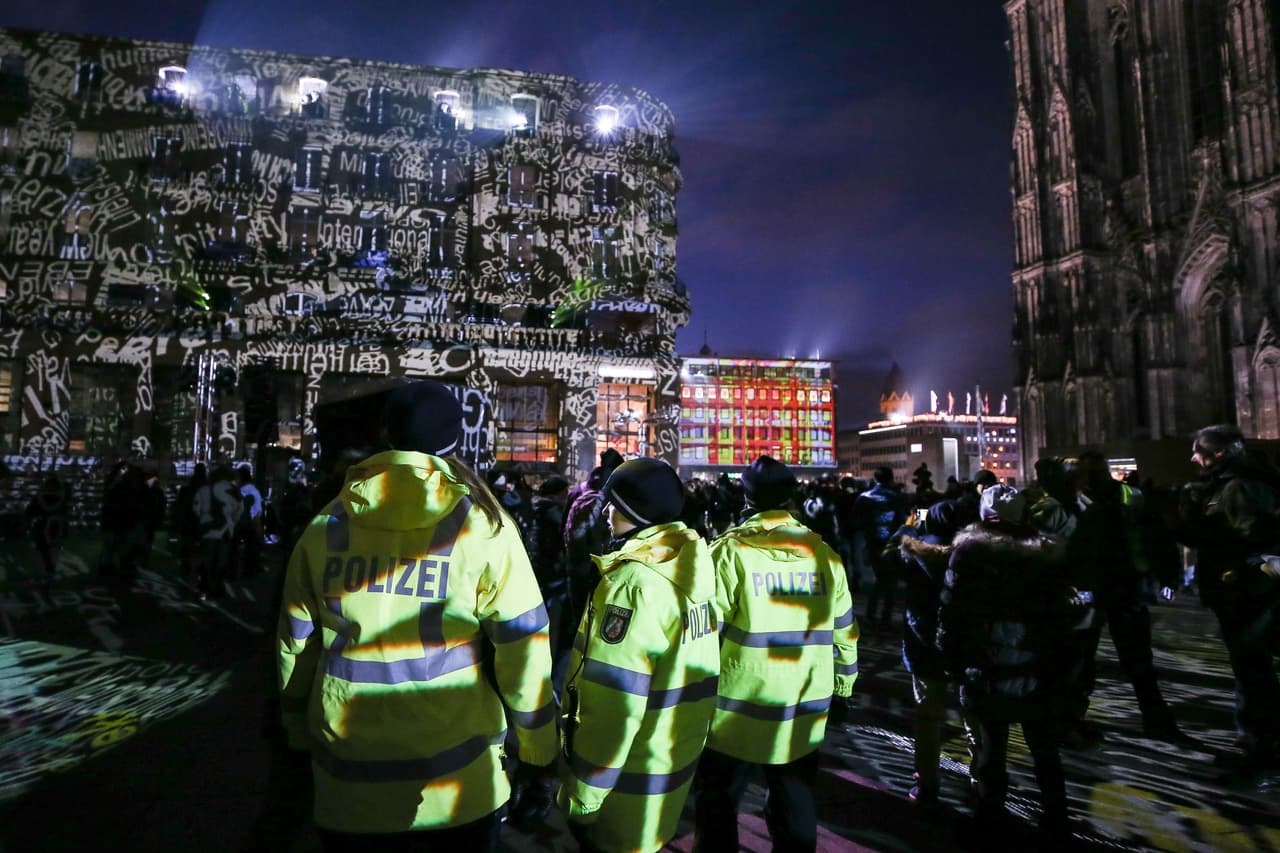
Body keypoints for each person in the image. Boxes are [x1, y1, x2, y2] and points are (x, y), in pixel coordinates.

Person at [277, 380, 557, 850]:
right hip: (457, 788)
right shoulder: (483, 526)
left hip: (349, 785)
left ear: (386, 434)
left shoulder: (327, 524)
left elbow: (295, 643)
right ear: (453, 442)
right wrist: (537, 747)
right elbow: (523, 643)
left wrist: (294, 731)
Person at [694, 456, 858, 852]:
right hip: (803, 703)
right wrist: (843, 688)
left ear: (747, 498)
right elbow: (845, 632)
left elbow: (703, 634)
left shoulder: (728, 553)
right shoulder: (825, 556)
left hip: (736, 707)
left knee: (717, 804)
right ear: (791, 497)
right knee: (794, 801)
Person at [558, 457, 719, 853]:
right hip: (669, 756)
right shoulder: (689, 564)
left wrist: (585, 795)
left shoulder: (635, 585)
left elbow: (613, 703)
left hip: (626, 777)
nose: (607, 513)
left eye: (614, 504)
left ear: (634, 512)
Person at [937, 485, 1074, 840]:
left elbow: (951, 611)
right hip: (1037, 666)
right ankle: (1057, 818)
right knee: (1044, 748)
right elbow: (1060, 615)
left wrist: (950, 657)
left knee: (990, 750)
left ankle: (989, 820)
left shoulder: (968, 552)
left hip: (986, 666)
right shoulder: (1046, 552)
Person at [1178, 424, 1280, 774]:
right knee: (1253, 669)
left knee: (1253, 669)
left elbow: (1246, 537)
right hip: (1245, 589)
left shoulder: (1238, 485)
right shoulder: (1246, 478)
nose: (1193, 457)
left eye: (1199, 450)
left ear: (1219, 453)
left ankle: (1259, 745)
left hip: (1248, 591)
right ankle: (1257, 739)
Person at [1067, 450, 1183, 743]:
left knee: (1087, 660)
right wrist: (1168, 574)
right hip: (1119, 586)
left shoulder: (1076, 500)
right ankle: (1155, 720)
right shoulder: (1128, 495)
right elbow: (1159, 537)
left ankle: (1074, 721)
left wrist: (1168, 574)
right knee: (1129, 661)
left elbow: (1157, 536)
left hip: (1104, 588)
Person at [896, 496, 975, 802]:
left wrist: (911, 522)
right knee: (974, 716)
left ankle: (927, 782)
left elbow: (889, 551)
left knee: (929, 719)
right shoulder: (973, 556)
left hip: (924, 645)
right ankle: (982, 780)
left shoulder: (913, 554)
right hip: (967, 645)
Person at [855, 465, 908, 628]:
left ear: (875, 478)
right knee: (890, 581)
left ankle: (871, 614)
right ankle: (885, 616)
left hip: (873, 543)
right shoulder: (897, 497)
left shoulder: (864, 497)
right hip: (892, 544)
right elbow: (907, 518)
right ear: (891, 478)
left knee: (880, 579)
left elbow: (856, 520)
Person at [192, 465, 242, 599]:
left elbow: (196, 509)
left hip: (207, 530)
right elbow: (239, 511)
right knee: (221, 561)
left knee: (207, 560)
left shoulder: (203, 490)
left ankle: (205, 586)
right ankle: (217, 587)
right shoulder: (233, 491)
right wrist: (231, 522)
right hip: (225, 531)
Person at [26, 473, 70, 581]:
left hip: (41, 527)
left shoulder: (38, 498)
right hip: (56, 528)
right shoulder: (62, 499)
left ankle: (43, 572)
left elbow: (29, 512)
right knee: (53, 551)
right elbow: (65, 514)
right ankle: (50, 571)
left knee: (42, 550)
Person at [236, 465, 264, 577]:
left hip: (245, 523)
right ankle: (251, 570)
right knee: (251, 548)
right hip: (251, 523)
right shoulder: (254, 490)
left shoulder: (242, 491)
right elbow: (258, 511)